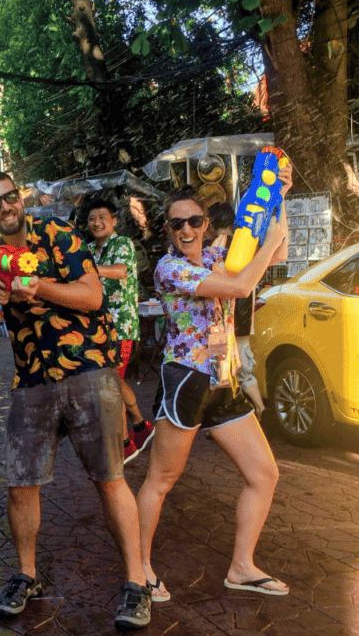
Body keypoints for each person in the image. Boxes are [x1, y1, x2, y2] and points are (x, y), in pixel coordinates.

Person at [0, 170, 152, 630]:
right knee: (20, 483)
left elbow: (92, 296)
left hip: (88, 371)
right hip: (32, 380)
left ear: (19, 198)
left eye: (9, 197)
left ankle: (136, 583)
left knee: (109, 478)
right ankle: (27, 576)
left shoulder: (57, 234)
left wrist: (37, 287)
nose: (5, 207)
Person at [136, 180, 291, 605]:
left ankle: (242, 566)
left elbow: (277, 255)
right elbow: (241, 288)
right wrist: (268, 243)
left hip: (224, 378)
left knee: (264, 475)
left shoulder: (217, 256)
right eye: (176, 224)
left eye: (194, 221)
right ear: (167, 230)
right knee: (162, 479)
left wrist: (276, 196)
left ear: (205, 224)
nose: (186, 230)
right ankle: (140, 570)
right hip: (187, 379)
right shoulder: (170, 269)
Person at [86, 198, 155, 463]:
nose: (97, 222)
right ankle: (140, 425)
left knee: (111, 383)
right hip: (96, 328)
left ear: (114, 220)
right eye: (92, 218)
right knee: (112, 380)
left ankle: (125, 443)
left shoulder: (122, 243)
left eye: (102, 217)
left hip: (121, 326)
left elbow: (121, 271)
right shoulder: (89, 248)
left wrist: (89, 270)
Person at [205, 202, 273, 416]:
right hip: (243, 321)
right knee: (245, 371)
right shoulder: (247, 247)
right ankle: (260, 411)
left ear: (211, 223)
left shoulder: (209, 246)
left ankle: (224, 415)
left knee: (220, 370)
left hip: (218, 322)